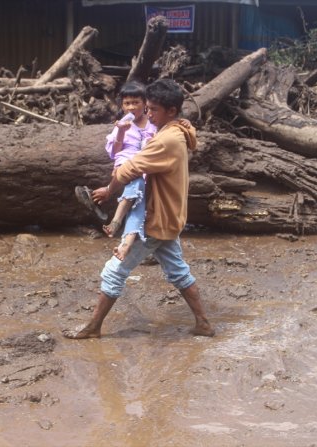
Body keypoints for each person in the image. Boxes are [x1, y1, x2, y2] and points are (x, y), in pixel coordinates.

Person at [63, 79, 215, 339]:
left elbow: (129, 169)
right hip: (171, 216)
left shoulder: (165, 140)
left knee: (114, 271)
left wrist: (109, 190)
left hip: (154, 219)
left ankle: (93, 327)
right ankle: (203, 323)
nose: (148, 113)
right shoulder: (179, 130)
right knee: (178, 271)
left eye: (154, 109)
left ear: (171, 111)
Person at [76, 81, 157, 261]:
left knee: (139, 200)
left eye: (136, 103)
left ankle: (125, 240)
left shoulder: (153, 124)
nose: (131, 107)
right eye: (127, 103)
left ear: (145, 103)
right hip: (126, 163)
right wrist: (121, 131)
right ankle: (118, 223)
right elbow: (115, 151)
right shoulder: (122, 124)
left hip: (146, 165)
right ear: (122, 105)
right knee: (135, 180)